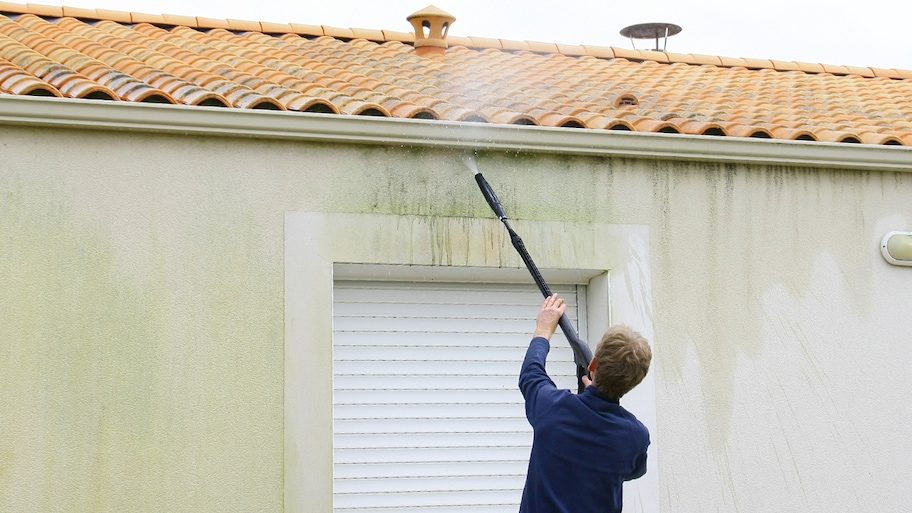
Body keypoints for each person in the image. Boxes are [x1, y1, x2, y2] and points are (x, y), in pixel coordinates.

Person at [518, 294, 651, 513]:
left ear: (593, 364)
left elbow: (531, 375)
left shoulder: (552, 408)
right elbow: (633, 471)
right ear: (635, 381)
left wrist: (544, 329)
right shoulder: (635, 437)